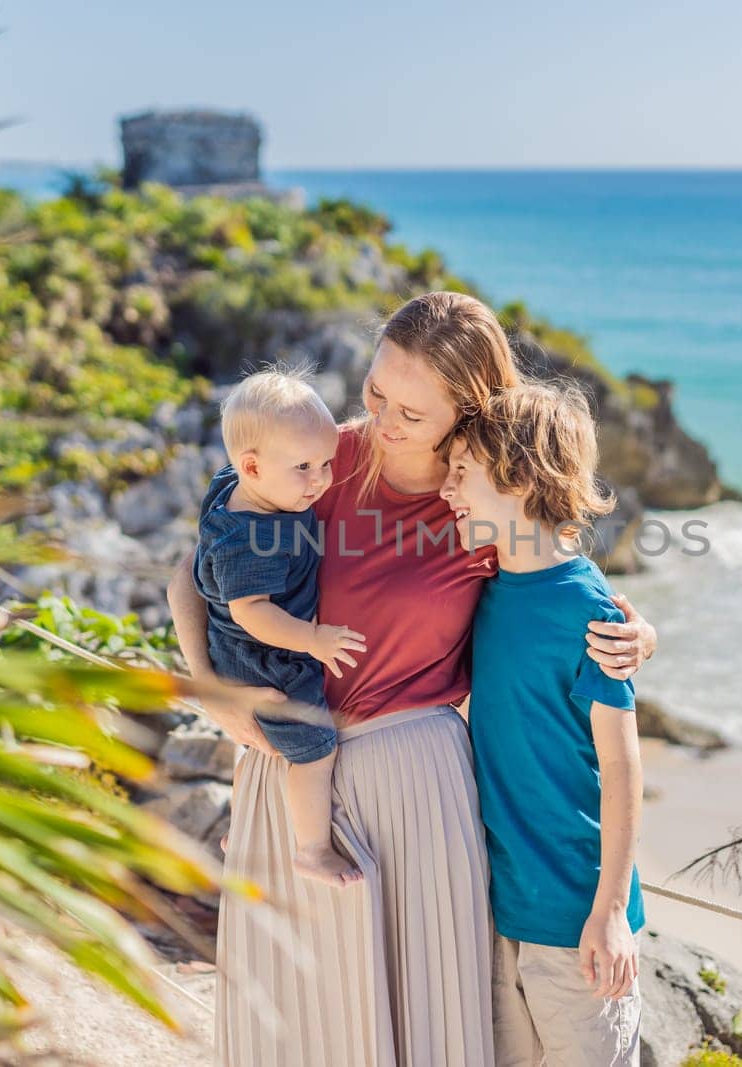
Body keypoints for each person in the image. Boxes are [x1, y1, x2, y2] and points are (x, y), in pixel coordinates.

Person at [166, 291, 657, 1066]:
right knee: (296, 1029)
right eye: (376, 394)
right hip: (294, 778)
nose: (384, 424)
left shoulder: (484, 503)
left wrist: (639, 634)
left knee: (422, 1032)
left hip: (421, 792)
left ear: (468, 415)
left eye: (413, 413)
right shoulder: (315, 457)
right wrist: (213, 690)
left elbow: (562, 595)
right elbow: (197, 577)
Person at [442, 381, 644, 1066]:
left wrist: (611, 912)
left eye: (462, 472)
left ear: (521, 477)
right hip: (504, 909)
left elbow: (621, 765)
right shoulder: (487, 589)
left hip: (578, 921)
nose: (448, 489)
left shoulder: (587, 607)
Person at [190, 367, 366, 888]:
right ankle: (311, 849)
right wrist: (313, 639)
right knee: (315, 748)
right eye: (305, 467)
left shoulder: (236, 485)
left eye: (327, 464)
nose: (320, 481)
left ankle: (241, 823)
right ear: (252, 466)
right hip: (264, 658)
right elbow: (252, 613)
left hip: (244, 650)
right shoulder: (253, 537)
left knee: (256, 750)